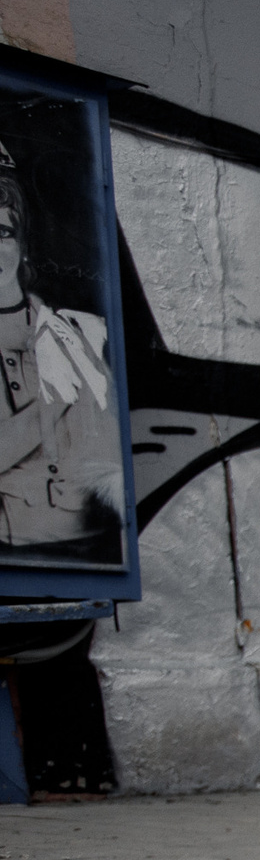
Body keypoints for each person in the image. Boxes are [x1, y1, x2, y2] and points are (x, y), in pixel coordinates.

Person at [0, 142, 123, 564]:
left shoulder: (77, 338)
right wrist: (52, 404)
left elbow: (111, 460)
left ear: (22, 242)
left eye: (2, 232)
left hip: (83, 552)